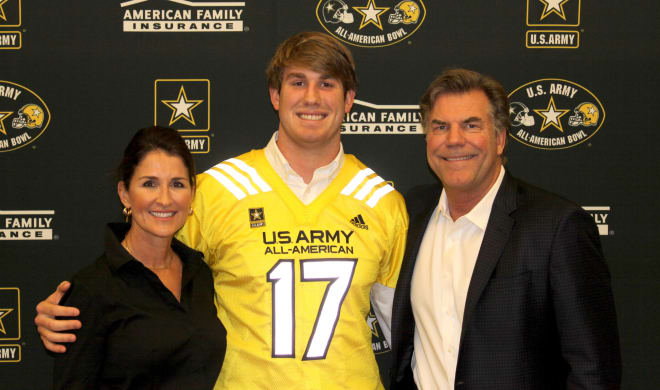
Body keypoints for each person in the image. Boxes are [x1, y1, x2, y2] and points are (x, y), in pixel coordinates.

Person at [37, 32, 408, 390]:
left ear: (349, 100)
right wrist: (74, 310)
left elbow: (409, 330)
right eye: (297, 82)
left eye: (327, 84)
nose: (312, 97)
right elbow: (139, 275)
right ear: (276, 96)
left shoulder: (381, 201)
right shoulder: (217, 190)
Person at [390, 69, 621, 390]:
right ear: (427, 138)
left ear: (500, 138)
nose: (454, 139)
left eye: (471, 125)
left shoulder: (557, 226)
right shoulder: (410, 212)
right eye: (440, 126)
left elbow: (593, 369)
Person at [53, 126, 226, 389]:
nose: (165, 199)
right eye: (150, 184)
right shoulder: (92, 289)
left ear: (192, 192)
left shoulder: (200, 273)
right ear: (124, 193)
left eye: (177, 184)